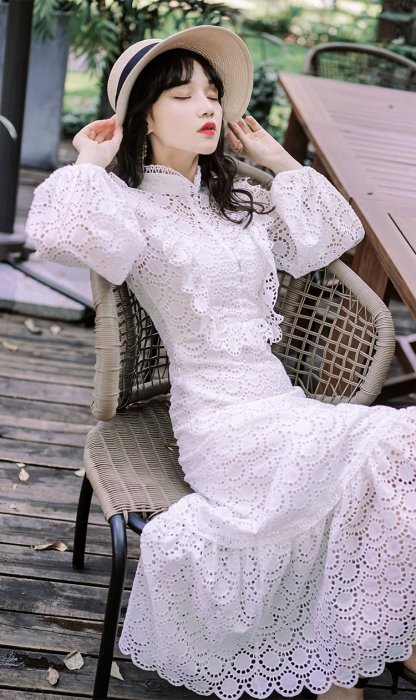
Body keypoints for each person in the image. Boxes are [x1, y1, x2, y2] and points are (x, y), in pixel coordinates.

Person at [26, 25, 415, 700]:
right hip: (220, 424)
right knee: (394, 444)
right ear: (144, 116)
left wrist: (278, 159)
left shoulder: (239, 200)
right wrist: (90, 160)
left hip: (281, 402)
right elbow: (58, 233)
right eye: (182, 96)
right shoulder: (130, 210)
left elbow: (332, 237)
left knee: (402, 446)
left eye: (213, 93)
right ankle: (367, 655)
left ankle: (367, 648)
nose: (208, 106)